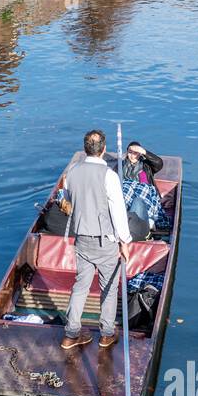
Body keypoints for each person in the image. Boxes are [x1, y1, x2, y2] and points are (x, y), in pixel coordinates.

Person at [60, 130, 131, 353]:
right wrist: (125, 241)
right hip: (105, 241)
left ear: (84, 148)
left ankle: (71, 335)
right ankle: (107, 334)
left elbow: (66, 200)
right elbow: (118, 211)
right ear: (104, 148)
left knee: (80, 286)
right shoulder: (109, 176)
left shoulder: (71, 172)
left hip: (81, 238)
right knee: (108, 289)